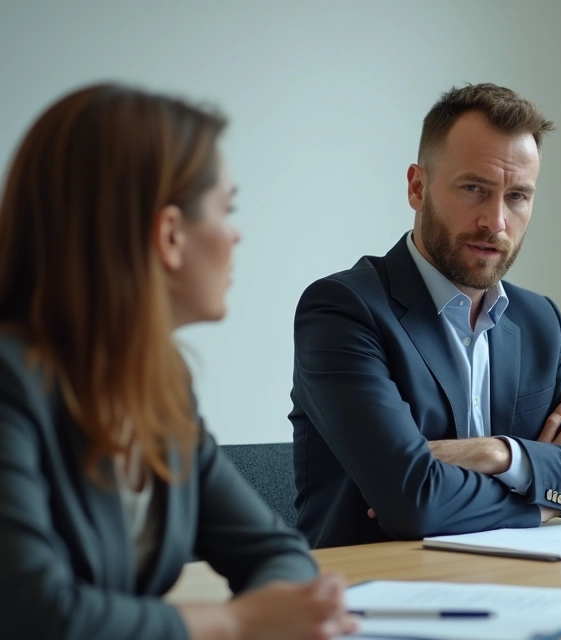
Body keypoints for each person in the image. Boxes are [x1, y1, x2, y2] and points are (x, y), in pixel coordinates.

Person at [0, 84, 356, 639]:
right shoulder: (10, 383)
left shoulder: (158, 385)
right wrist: (237, 623)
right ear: (169, 235)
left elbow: (275, 548)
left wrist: (287, 608)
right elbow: (36, 616)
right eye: (227, 208)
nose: (236, 233)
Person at [290, 83, 561, 548]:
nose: (496, 222)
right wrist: (550, 494)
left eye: (517, 196)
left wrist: (498, 453)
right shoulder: (343, 309)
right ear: (417, 186)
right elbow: (412, 500)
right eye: (475, 188)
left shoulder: (539, 322)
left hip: (510, 589)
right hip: (369, 596)